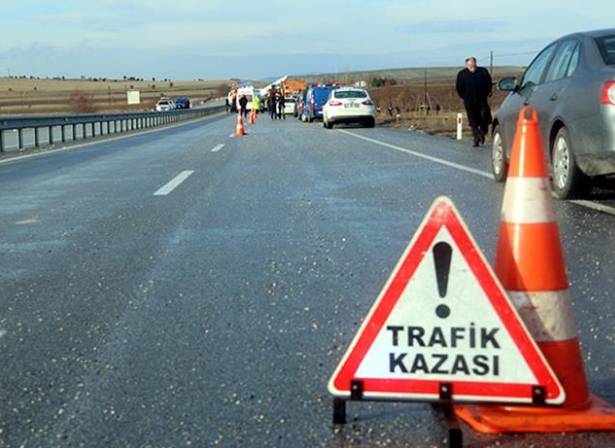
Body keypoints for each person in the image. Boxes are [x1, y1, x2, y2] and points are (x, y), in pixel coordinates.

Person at [456, 56, 493, 147]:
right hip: (469, 100)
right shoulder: (462, 74)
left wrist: (487, 93)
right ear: (467, 64)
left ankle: (482, 132)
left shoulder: (483, 71)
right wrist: (464, 97)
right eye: (471, 64)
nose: (473, 66)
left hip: (482, 99)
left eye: (474, 63)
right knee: (473, 120)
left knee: (485, 117)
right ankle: (476, 138)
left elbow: (489, 83)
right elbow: (459, 87)